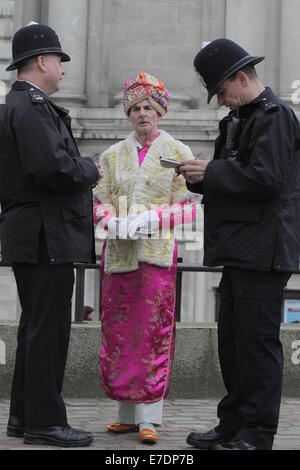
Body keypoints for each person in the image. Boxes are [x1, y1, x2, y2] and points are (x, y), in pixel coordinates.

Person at [179, 38, 300, 451]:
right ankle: (232, 423)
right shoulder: (239, 119)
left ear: (242, 78)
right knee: (232, 342)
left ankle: (256, 433)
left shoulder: (275, 116)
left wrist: (210, 172)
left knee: (256, 344)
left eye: (222, 93)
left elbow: (267, 179)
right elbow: (235, 178)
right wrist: (200, 177)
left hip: (264, 249)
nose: (220, 103)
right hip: (239, 247)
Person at [0, 23, 101, 447]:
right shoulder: (31, 107)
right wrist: (92, 169)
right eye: (59, 61)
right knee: (48, 330)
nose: (62, 70)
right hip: (45, 232)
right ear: (42, 61)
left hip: (35, 230)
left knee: (35, 327)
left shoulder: (20, 104)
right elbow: (52, 169)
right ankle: (45, 421)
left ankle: (24, 417)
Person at [93, 72, 195, 444]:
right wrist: (111, 222)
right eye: (135, 108)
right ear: (128, 114)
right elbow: (96, 200)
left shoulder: (178, 152)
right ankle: (124, 413)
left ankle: (150, 416)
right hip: (118, 257)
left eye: (148, 107)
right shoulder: (112, 155)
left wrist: (153, 218)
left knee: (153, 335)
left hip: (155, 260)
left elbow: (188, 211)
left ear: (160, 112)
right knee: (118, 335)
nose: (141, 114)